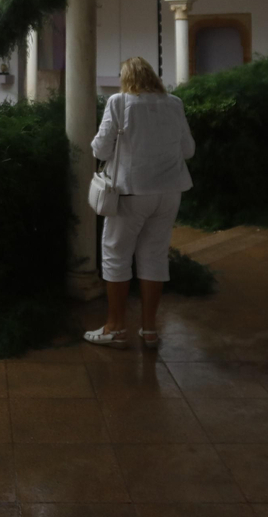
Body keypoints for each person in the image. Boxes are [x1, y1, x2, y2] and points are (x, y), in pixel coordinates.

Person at [85, 56, 196, 348]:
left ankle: (116, 327)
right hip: (170, 192)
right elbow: (188, 150)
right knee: (154, 257)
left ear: (126, 78)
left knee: (116, 256)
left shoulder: (119, 102)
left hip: (131, 192)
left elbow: (100, 147)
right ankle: (149, 330)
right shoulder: (174, 103)